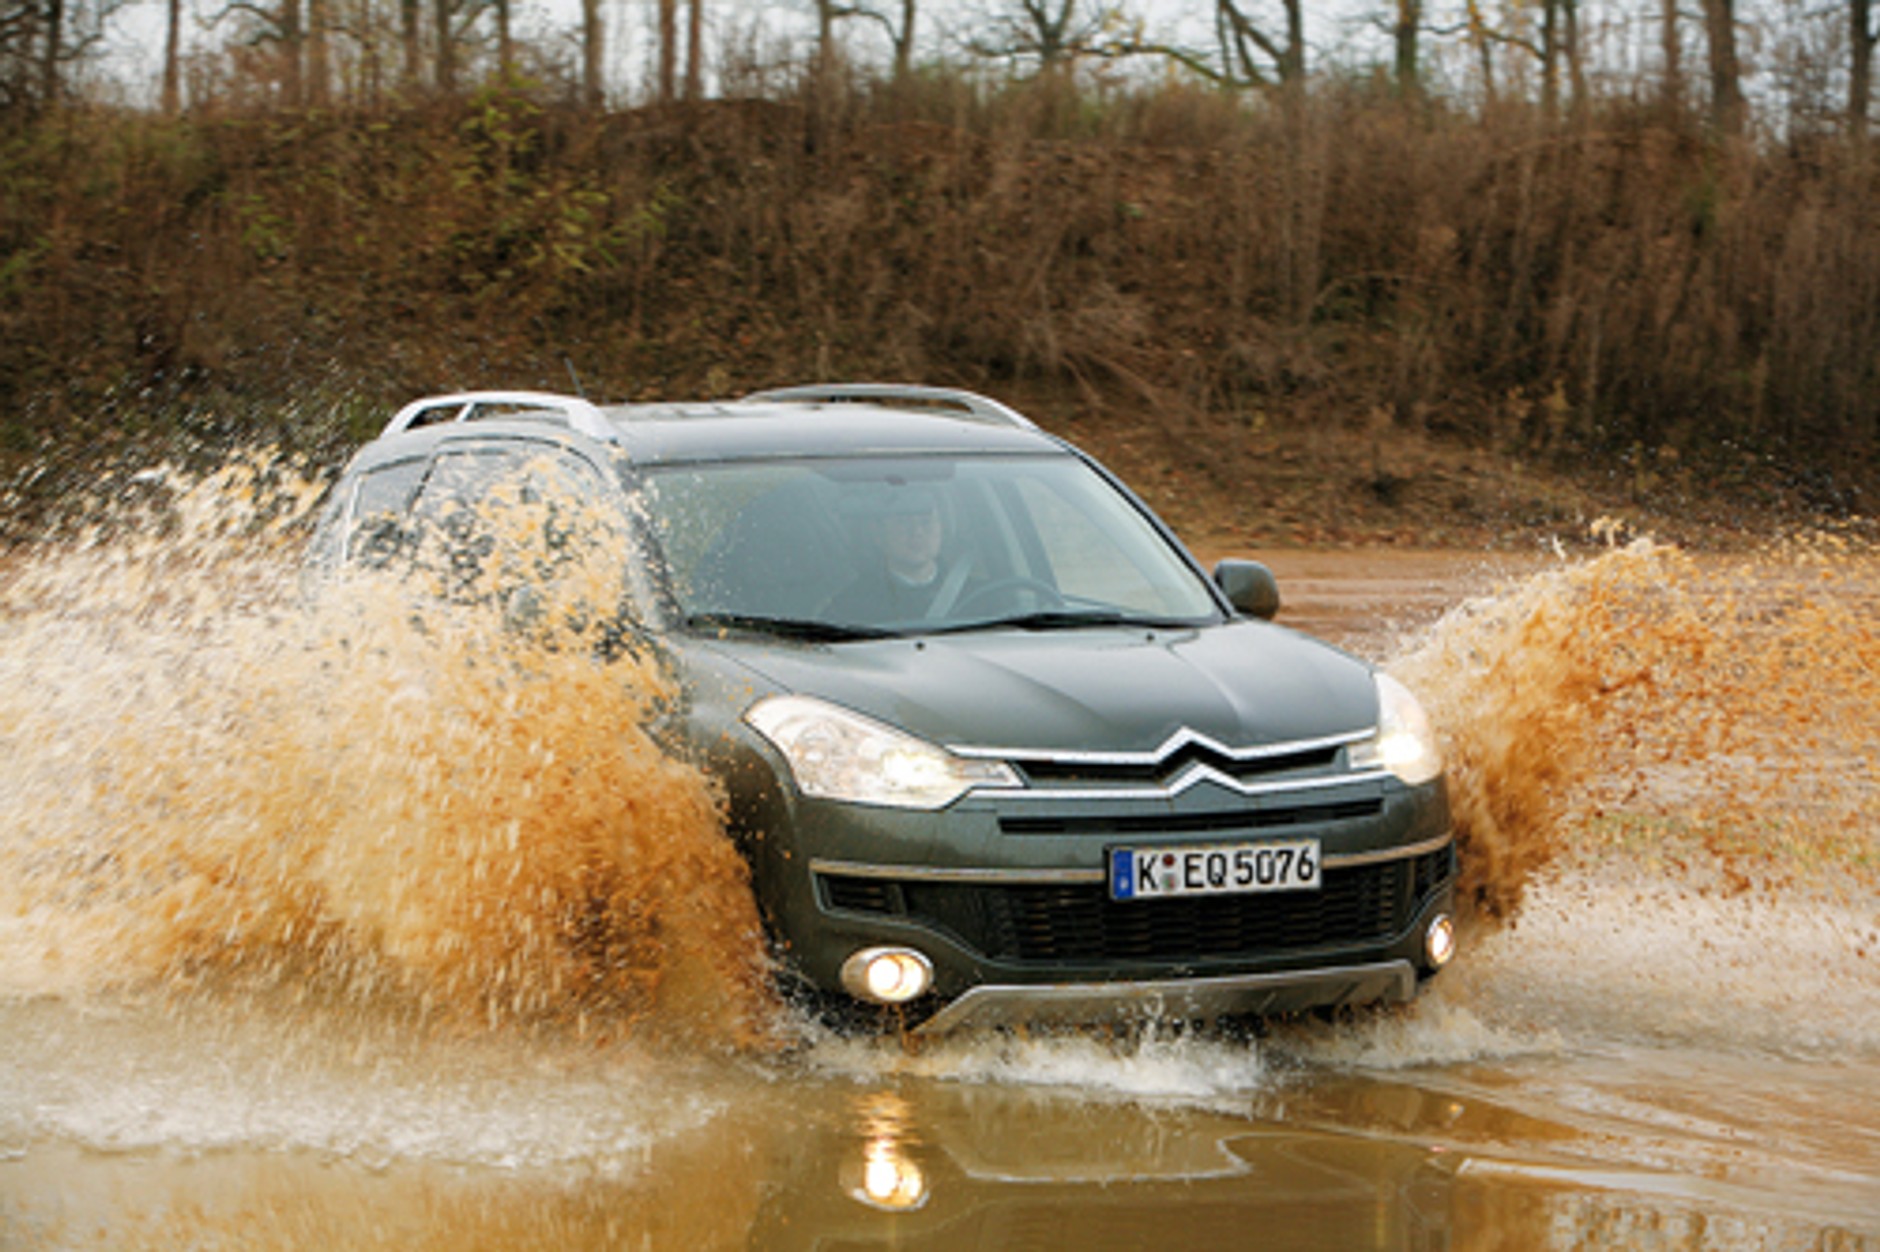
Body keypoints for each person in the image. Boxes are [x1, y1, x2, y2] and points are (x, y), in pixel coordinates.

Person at [824, 488, 973, 624]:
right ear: (878, 534)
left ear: (943, 529)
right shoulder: (850, 606)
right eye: (903, 522)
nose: (916, 532)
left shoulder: (975, 594)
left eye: (926, 522)